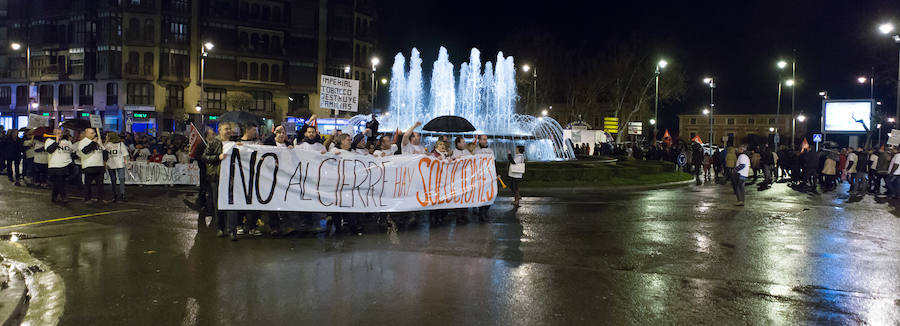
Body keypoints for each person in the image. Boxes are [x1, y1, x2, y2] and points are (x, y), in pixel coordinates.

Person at [203, 122, 236, 240]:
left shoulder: (234, 143)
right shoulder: (213, 143)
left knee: (231, 204)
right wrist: (218, 157)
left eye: (229, 129)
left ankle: (232, 230)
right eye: (226, 129)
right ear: (220, 130)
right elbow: (205, 157)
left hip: (231, 178)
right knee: (219, 204)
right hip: (216, 178)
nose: (228, 131)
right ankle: (220, 228)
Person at [77, 128, 107, 203]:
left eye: (94, 133)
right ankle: (88, 198)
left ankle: (101, 198)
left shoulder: (98, 141)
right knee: (88, 184)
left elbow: (104, 151)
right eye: (92, 133)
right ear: (86, 134)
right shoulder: (83, 142)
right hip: (89, 165)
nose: (94, 134)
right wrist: (93, 143)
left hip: (99, 165)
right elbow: (85, 151)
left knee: (100, 184)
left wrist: (105, 159)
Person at [46, 128, 74, 203]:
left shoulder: (66, 141)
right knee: (60, 181)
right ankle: (63, 197)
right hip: (55, 165)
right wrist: (57, 142)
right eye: (57, 133)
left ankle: (54, 197)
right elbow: (50, 150)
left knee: (59, 183)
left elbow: (71, 151)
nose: (60, 134)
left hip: (65, 165)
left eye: (61, 133)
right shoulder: (49, 141)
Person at [472, 135, 494, 222]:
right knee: (482, 195)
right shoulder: (475, 150)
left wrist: (497, 173)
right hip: (479, 177)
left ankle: (485, 212)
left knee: (490, 195)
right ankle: (482, 214)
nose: (486, 141)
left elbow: (493, 162)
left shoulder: (490, 151)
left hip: (489, 176)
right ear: (479, 140)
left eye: (486, 139)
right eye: (484, 139)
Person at [105, 132, 128, 202]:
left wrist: (126, 162)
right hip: (111, 163)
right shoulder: (107, 145)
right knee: (114, 180)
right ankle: (116, 195)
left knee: (121, 179)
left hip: (119, 163)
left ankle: (122, 194)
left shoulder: (120, 144)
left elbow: (125, 154)